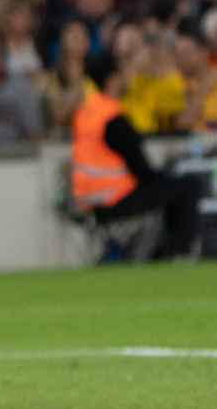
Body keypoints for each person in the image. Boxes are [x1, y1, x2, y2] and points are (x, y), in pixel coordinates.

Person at [71, 55, 204, 260]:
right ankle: (178, 253)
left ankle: (164, 252)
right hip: (117, 200)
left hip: (90, 202)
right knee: (189, 185)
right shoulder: (113, 118)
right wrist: (165, 172)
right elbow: (142, 170)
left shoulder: (86, 113)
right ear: (112, 80)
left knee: (168, 187)